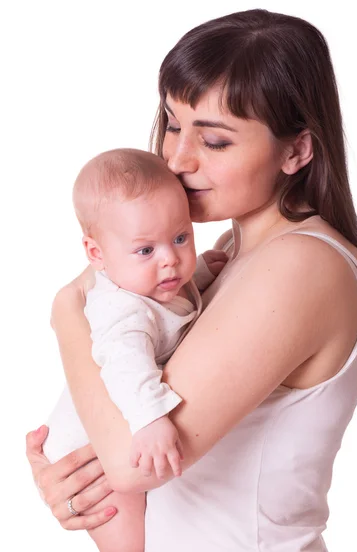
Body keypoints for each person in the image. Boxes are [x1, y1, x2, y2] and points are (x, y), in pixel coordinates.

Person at [26, 9, 357, 551]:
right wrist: (74, 480)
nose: (176, 158)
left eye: (214, 142)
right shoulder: (226, 256)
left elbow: (131, 461)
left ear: (296, 151)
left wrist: (67, 318)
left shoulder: (301, 267)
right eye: (172, 124)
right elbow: (123, 445)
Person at [42, 148, 227, 551]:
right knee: (129, 542)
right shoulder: (122, 310)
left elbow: (173, 300)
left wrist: (201, 272)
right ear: (96, 255)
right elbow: (127, 366)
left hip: (111, 424)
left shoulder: (152, 282)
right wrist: (149, 419)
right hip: (84, 448)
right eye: (146, 250)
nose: (170, 262)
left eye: (181, 238)